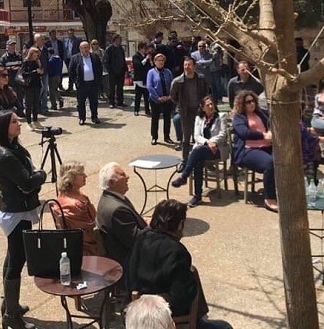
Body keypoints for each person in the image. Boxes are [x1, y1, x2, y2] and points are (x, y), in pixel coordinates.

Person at [127, 200, 233, 329]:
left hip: (140, 313)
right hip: (165, 317)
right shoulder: (177, 252)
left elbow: (131, 276)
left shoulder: (141, 238)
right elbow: (181, 299)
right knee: (225, 326)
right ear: (180, 224)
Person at [0, 109, 47, 329]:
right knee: (17, 260)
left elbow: (27, 182)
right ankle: (11, 316)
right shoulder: (5, 155)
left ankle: (9, 304)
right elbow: (27, 183)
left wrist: (32, 179)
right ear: (4, 127)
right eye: (14, 122)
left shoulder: (13, 147)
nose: (19, 124)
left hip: (17, 209)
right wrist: (41, 175)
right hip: (16, 213)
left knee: (12, 257)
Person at [170, 96, 229, 207]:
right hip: (203, 149)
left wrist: (212, 142)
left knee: (197, 151)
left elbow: (222, 134)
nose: (211, 106)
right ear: (202, 108)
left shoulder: (221, 116)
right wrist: (207, 142)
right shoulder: (199, 118)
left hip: (217, 149)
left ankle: (184, 177)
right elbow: (196, 136)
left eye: (212, 104)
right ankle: (197, 196)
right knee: (198, 159)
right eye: (208, 105)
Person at [96, 162, 147, 282]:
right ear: (111, 183)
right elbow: (137, 241)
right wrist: (154, 225)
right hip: (130, 264)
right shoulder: (117, 209)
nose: (127, 177)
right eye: (122, 174)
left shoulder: (109, 198)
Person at [232, 90, 277, 212]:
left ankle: (282, 192)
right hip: (248, 150)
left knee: (286, 159)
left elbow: (270, 125)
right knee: (270, 163)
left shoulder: (260, 113)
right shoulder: (238, 117)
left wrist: (271, 132)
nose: (252, 103)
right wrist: (263, 135)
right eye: (248, 102)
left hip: (266, 147)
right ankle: (269, 199)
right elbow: (244, 133)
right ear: (242, 104)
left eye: (253, 101)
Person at [53, 161, 100, 256]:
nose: (85, 176)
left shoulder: (63, 196)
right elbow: (90, 231)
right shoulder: (76, 205)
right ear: (71, 177)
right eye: (81, 174)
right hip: (87, 250)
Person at [170, 56, 210, 162]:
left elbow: (207, 92)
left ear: (194, 66)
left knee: (201, 135)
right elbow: (173, 97)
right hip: (186, 112)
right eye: (185, 65)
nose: (187, 67)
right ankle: (185, 160)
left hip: (199, 111)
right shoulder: (177, 81)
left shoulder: (201, 79)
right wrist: (181, 104)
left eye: (189, 65)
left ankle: (203, 160)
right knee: (186, 138)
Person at [69, 41, 103, 126]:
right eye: (84, 48)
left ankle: (94, 117)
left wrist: (98, 80)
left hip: (93, 84)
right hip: (82, 84)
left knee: (94, 102)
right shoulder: (75, 58)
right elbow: (71, 71)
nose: (86, 49)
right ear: (80, 49)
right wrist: (76, 81)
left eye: (87, 47)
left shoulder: (94, 57)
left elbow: (100, 68)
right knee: (81, 102)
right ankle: (82, 118)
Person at [147, 53, 174, 145]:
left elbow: (172, 84)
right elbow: (149, 86)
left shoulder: (168, 72)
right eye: (159, 60)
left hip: (167, 99)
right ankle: (154, 137)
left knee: (167, 118)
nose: (161, 62)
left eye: (162, 60)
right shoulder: (151, 72)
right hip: (155, 99)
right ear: (155, 62)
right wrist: (158, 98)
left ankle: (167, 136)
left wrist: (169, 96)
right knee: (155, 118)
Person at [20, 47, 43, 129]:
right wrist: (35, 72)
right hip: (29, 85)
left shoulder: (37, 61)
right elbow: (24, 74)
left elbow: (40, 72)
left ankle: (36, 121)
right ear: (30, 54)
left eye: (37, 55)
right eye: (34, 55)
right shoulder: (26, 62)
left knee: (36, 104)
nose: (36, 57)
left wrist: (41, 72)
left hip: (37, 84)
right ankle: (29, 122)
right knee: (28, 104)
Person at [0, 40, 25, 114]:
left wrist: (20, 68)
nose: (13, 47)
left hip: (19, 81)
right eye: (11, 45)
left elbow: (23, 66)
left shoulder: (19, 56)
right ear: (7, 47)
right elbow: (0, 69)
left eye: (14, 45)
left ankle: (20, 111)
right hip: (9, 81)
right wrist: (10, 69)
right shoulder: (4, 58)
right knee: (10, 97)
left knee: (20, 97)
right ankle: (11, 113)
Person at [105, 34, 128, 108]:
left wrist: (125, 68)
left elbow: (123, 59)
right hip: (112, 72)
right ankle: (111, 102)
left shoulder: (121, 48)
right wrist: (110, 70)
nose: (120, 41)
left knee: (120, 87)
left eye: (120, 40)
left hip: (121, 71)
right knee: (112, 88)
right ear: (115, 40)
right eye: (118, 40)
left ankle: (120, 102)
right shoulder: (109, 49)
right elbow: (106, 61)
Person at [132, 42, 153, 116]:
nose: (146, 50)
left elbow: (151, 66)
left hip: (146, 78)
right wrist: (145, 59)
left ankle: (147, 110)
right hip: (139, 79)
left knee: (146, 96)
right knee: (138, 96)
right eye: (144, 48)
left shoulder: (146, 56)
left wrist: (150, 60)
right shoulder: (136, 56)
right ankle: (136, 110)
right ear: (140, 48)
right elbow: (138, 65)